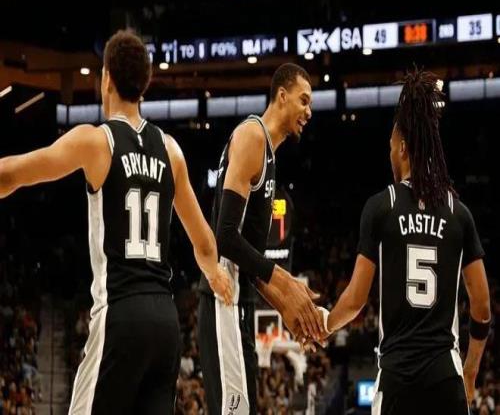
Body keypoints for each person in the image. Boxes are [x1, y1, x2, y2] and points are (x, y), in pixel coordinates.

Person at [0, 29, 233, 414]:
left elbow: (12, 174)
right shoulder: (171, 151)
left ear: (106, 77)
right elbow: (205, 244)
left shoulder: (97, 141)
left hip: (121, 314)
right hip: (165, 322)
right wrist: (216, 276)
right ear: (145, 84)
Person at [323, 69, 491, 414]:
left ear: (401, 148)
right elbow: (482, 307)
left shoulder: (380, 206)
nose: (389, 154)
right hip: (445, 375)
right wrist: (471, 369)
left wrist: (323, 326)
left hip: (397, 376)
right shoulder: (458, 213)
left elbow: (355, 300)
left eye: (390, 147)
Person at [197, 63, 325, 414]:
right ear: (282, 96)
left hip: (239, 303)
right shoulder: (252, 136)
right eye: (303, 100)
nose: (309, 112)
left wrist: (286, 307)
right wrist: (286, 281)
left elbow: (250, 262)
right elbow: (224, 236)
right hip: (223, 300)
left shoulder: (268, 153)